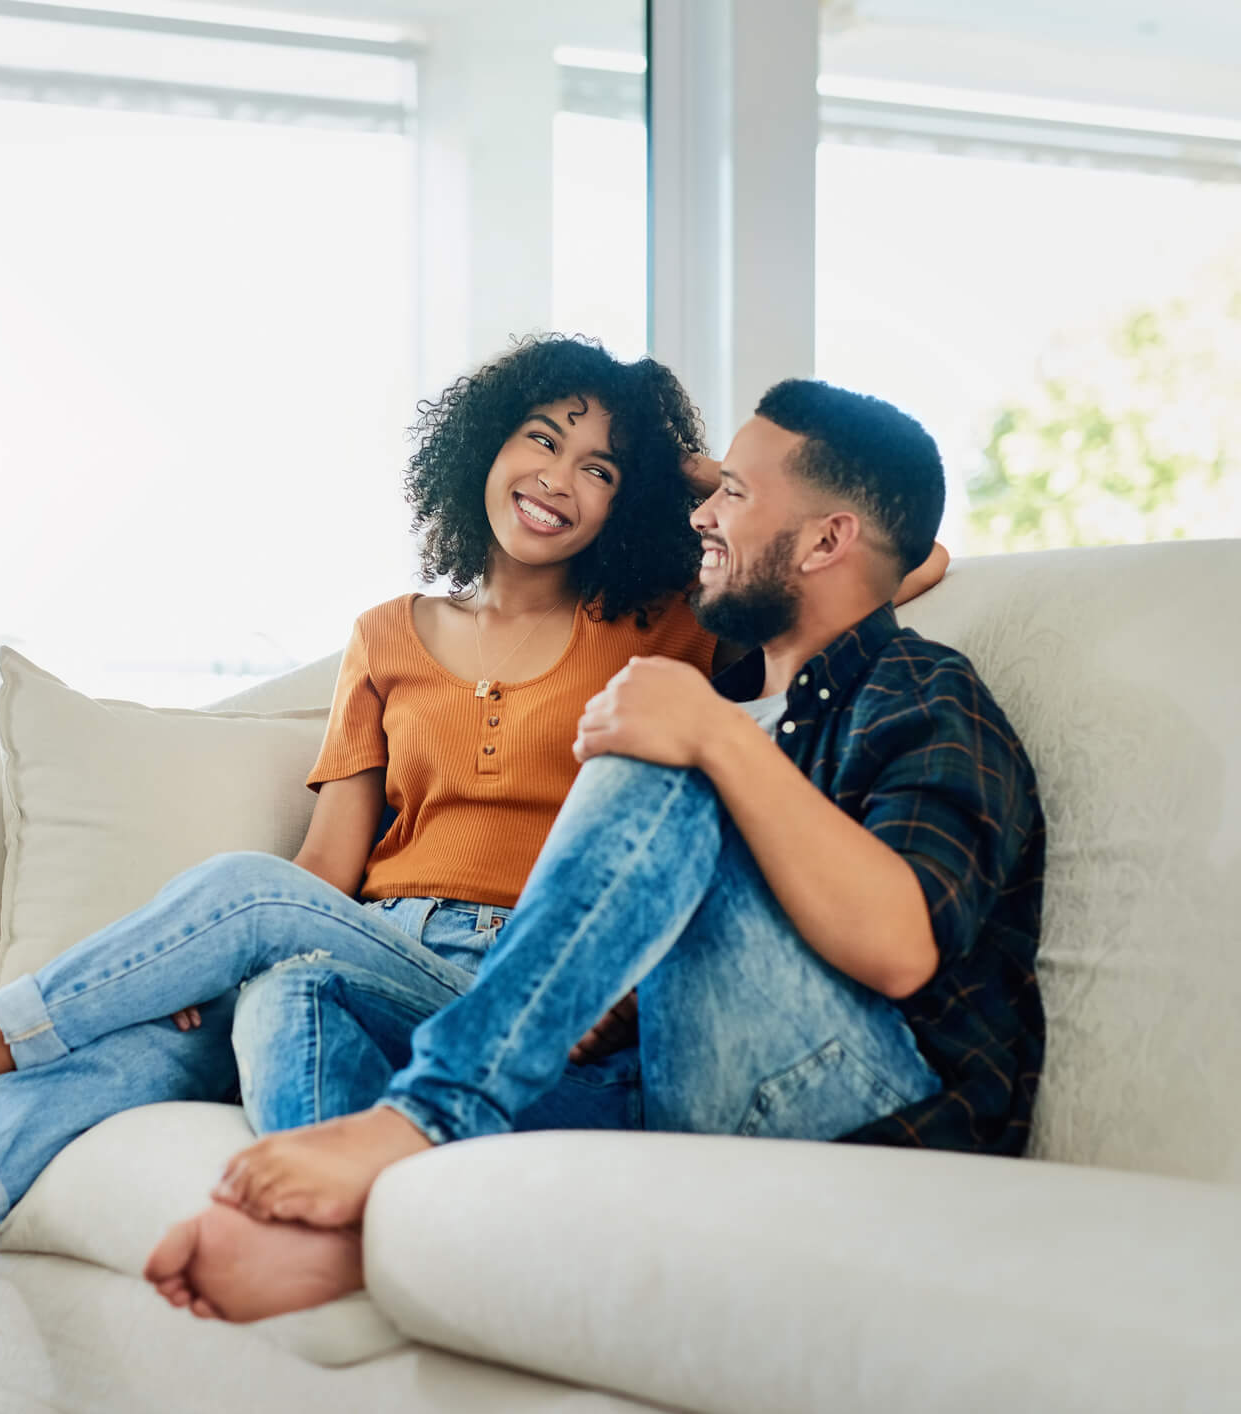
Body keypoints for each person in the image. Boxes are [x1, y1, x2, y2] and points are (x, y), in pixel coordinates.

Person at [0, 343, 944, 1364]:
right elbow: (329, 867)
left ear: (642, 499)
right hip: (370, 941)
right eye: (539, 436)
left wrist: (670, 452)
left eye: (600, 467)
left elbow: (887, 557)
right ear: (478, 448)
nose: (557, 474)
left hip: (514, 974)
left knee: (244, 900)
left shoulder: (661, 623)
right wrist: (205, 968)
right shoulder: (385, 635)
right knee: (178, 1021)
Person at [144, 379, 1045, 1325]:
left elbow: (901, 947)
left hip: (865, 1114)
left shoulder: (919, 692)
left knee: (651, 742)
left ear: (826, 542)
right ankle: (354, 1239)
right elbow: (709, 950)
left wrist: (708, 734)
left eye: (730, 494)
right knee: (303, 982)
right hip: (676, 1082)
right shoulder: (742, 700)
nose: (701, 514)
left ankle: (421, 1121)